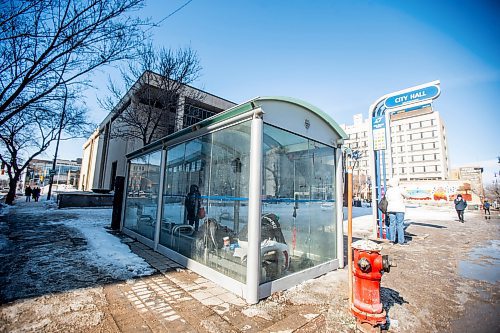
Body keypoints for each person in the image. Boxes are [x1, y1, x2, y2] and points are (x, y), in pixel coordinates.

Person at [385, 178, 407, 245]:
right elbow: (407, 195)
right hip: (400, 209)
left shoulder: (389, 190)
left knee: (392, 224)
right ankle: (401, 242)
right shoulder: (400, 189)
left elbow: (387, 198)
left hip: (391, 209)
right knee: (400, 224)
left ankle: (392, 240)